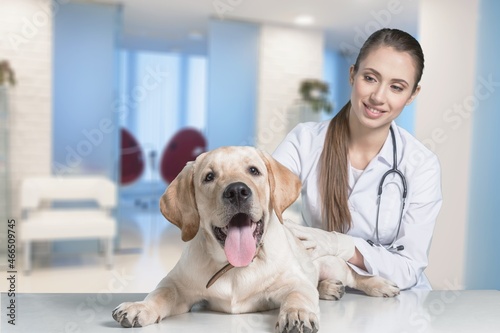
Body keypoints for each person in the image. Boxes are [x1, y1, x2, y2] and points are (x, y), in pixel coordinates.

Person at [272, 28, 442, 290]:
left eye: (396, 87)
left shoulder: (421, 165)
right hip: (323, 289)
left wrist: (343, 246)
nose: (378, 97)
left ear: (412, 95)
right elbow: (264, 204)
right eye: (370, 78)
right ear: (352, 74)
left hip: (398, 300)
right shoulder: (305, 141)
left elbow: (408, 268)